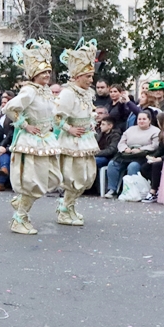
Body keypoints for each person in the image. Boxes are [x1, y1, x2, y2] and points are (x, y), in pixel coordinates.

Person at [3, 39, 61, 234]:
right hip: (31, 141)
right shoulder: (29, 90)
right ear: (34, 74)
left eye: (48, 71)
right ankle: (20, 218)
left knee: (53, 179)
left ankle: (21, 202)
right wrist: (25, 125)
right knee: (33, 182)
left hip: (46, 139)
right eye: (43, 72)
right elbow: (10, 108)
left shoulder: (45, 91)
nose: (47, 75)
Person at [55, 39, 99, 225]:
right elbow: (56, 116)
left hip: (86, 139)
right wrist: (69, 128)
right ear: (77, 75)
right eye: (87, 76)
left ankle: (69, 206)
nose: (91, 80)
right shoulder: (68, 93)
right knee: (75, 176)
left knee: (87, 176)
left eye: (91, 76)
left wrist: (92, 120)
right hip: (72, 141)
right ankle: (65, 208)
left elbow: (90, 111)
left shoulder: (89, 93)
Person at [104, 111, 160, 198]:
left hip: (142, 155)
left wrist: (140, 149)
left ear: (149, 120)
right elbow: (121, 142)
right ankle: (112, 189)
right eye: (139, 119)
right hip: (127, 154)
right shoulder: (130, 130)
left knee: (132, 166)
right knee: (112, 164)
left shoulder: (155, 131)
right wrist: (125, 149)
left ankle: (130, 189)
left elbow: (154, 145)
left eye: (144, 119)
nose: (141, 121)